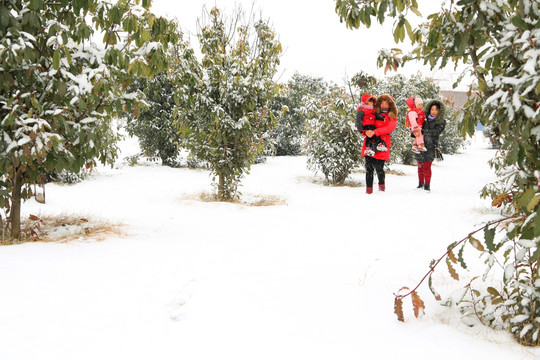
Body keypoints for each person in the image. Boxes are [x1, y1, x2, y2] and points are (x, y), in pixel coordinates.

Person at [361, 94, 397, 194]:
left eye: (386, 103)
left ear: (390, 105)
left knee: (379, 167)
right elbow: (365, 123)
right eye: (382, 103)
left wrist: (375, 132)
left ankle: (381, 187)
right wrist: (365, 132)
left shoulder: (391, 116)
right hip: (369, 142)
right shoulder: (372, 113)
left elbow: (389, 128)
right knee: (368, 167)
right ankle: (368, 190)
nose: (384, 105)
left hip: (382, 144)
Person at [416, 99, 447, 192]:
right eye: (432, 109)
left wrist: (424, 132)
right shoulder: (423, 118)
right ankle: (420, 184)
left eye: (436, 110)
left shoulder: (441, 122)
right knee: (420, 165)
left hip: (431, 146)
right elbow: (417, 128)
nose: (434, 112)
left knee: (427, 165)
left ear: (439, 111)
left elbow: (436, 132)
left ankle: (427, 185)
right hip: (420, 144)